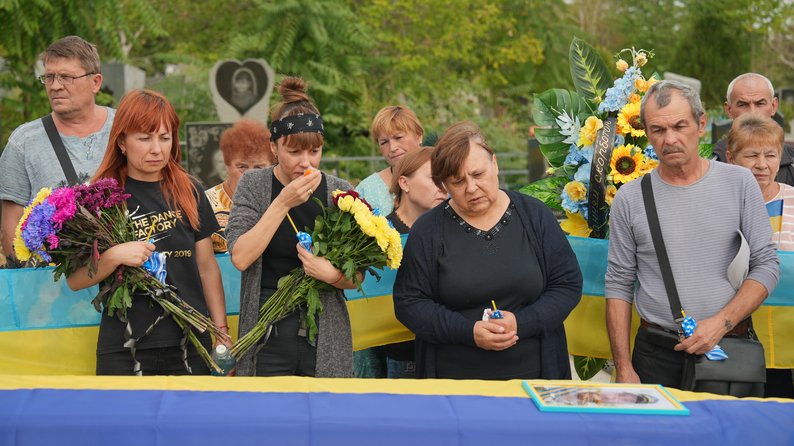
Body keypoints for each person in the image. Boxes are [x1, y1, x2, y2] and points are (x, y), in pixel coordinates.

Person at [605, 80, 780, 395]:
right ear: (646, 132)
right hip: (656, 353)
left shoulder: (739, 182)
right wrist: (623, 368)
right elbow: (618, 284)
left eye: (679, 126)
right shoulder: (630, 198)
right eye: (658, 130)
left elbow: (766, 265)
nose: (670, 139)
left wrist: (722, 322)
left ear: (701, 124)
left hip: (728, 348)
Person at [393, 121, 582, 380]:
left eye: (478, 174)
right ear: (444, 185)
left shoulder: (534, 216)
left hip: (535, 378)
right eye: (457, 181)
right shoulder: (428, 230)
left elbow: (567, 284)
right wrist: (467, 331)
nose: (471, 188)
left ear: (495, 163)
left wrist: (522, 323)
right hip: (453, 383)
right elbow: (409, 303)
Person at [66, 89, 230, 375]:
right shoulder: (100, 198)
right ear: (122, 142)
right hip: (123, 346)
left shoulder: (190, 190)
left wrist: (221, 330)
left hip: (191, 340)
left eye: (164, 138)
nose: (157, 149)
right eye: (144, 138)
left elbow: (206, 269)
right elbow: (75, 280)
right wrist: (114, 255)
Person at [225, 77, 356, 377]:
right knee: (266, 416)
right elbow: (241, 257)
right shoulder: (254, 186)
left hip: (324, 327)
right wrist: (282, 202)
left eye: (314, 151)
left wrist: (332, 274)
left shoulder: (339, 193)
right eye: (294, 152)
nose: (306, 163)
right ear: (274, 147)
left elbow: (356, 275)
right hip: (265, 327)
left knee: (322, 415)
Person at [0, 36, 115, 262]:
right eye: (49, 77)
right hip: (53, 287)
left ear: (96, 82)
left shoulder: (125, 128)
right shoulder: (24, 142)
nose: (55, 86)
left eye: (66, 77)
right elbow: (11, 236)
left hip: (127, 280)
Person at [725, 113, 794, 398]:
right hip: (728, 334)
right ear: (730, 158)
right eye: (752, 155)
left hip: (784, 340)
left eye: (771, 155)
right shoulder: (718, 200)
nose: (762, 165)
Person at [383, 147, 447, 378]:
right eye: (434, 178)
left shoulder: (453, 227)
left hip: (448, 346)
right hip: (396, 352)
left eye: (445, 178)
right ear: (404, 183)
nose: (443, 187)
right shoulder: (379, 232)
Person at [205, 120, 275, 253]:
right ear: (227, 166)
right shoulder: (204, 204)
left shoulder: (282, 201)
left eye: (259, 167)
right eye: (242, 167)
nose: (250, 175)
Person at [712, 73, 794, 186]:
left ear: (774, 106)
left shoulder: (791, 161)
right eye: (743, 105)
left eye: (760, 103)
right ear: (729, 109)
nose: (752, 112)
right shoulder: (708, 160)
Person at [356, 105, 424, 215]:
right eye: (384, 142)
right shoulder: (367, 190)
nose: (392, 148)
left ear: (419, 135)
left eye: (398, 138)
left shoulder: (443, 176)